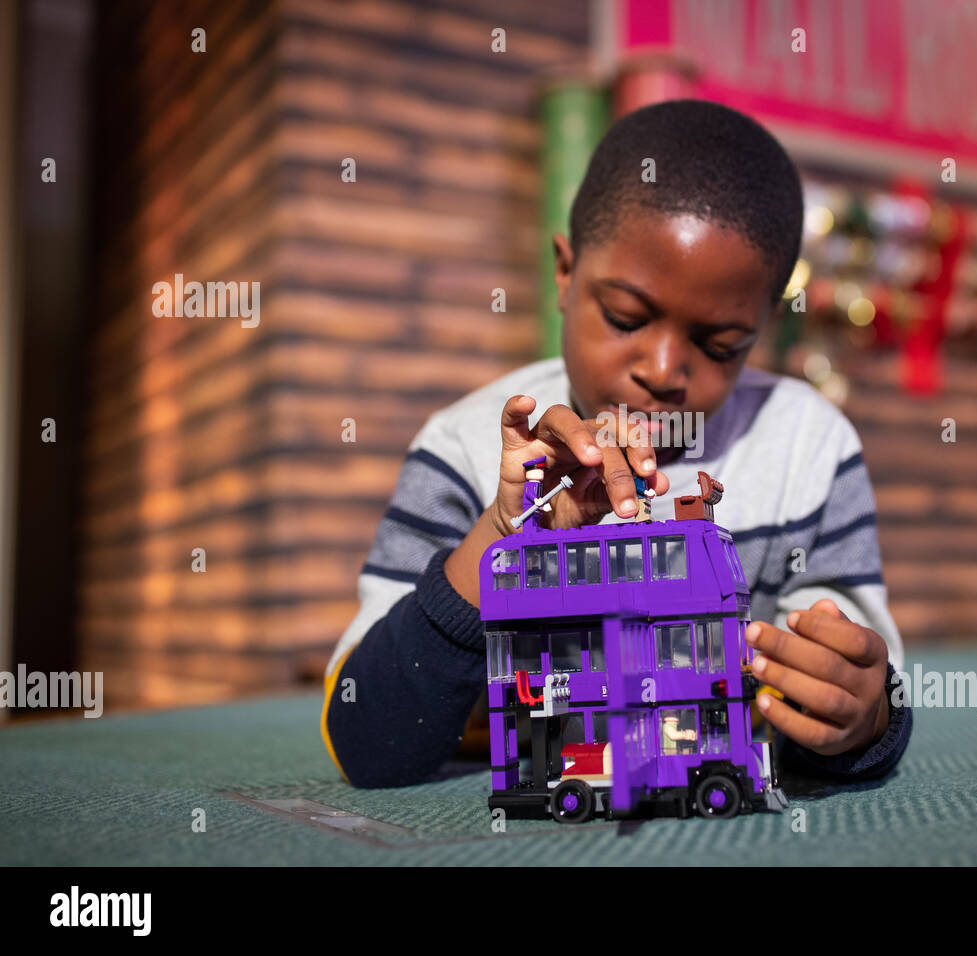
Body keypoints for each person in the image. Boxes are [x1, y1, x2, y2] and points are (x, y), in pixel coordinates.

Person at [321, 99, 913, 789]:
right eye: (626, 317)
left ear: (762, 328)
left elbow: (867, 699)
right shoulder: (462, 452)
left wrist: (859, 721)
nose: (663, 371)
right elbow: (366, 741)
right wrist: (504, 536)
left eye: (720, 345)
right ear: (566, 274)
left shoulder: (809, 449)